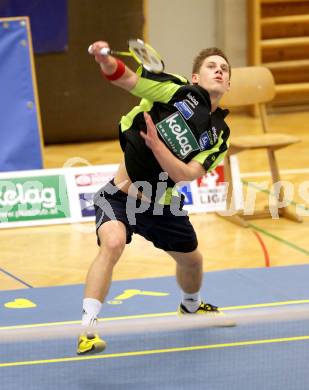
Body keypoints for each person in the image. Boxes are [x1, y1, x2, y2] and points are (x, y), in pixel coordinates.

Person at [77, 39, 231, 355]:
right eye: (211, 66)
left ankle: (190, 305)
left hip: (163, 204)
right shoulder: (176, 92)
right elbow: (127, 79)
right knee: (113, 243)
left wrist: (159, 150)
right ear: (195, 78)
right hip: (120, 197)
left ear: (228, 83)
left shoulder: (220, 134)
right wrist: (103, 59)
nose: (219, 71)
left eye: (224, 69)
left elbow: (187, 175)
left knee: (193, 261)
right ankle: (87, 329)